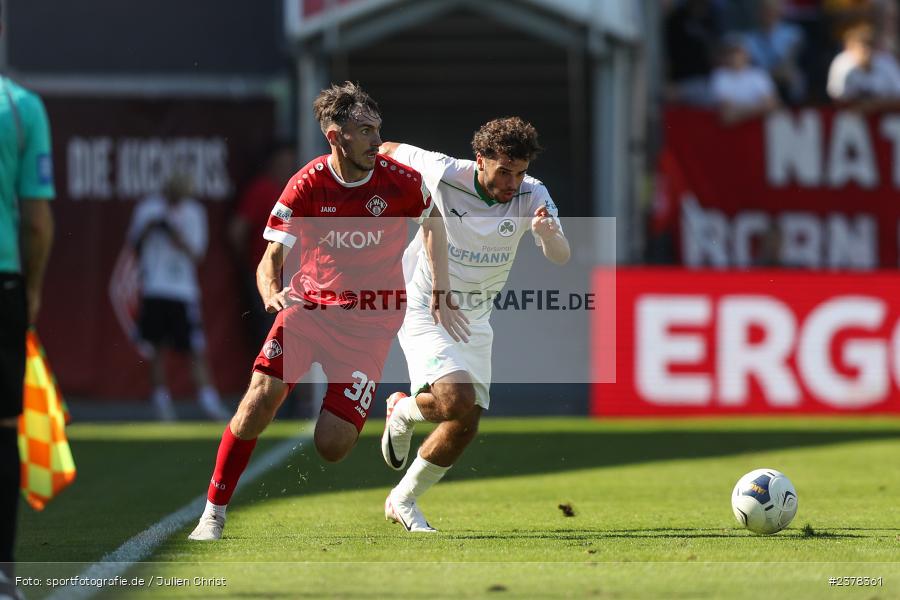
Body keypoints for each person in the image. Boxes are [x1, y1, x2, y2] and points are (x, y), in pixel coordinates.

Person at [187, 81, 467, 541]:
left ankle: (395, 407)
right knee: (259, 400)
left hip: (370, 326)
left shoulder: (399, 182)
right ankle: (212, 514)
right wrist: (271, 291)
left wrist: (440, 286)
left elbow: (433, 218)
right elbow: (270, 258)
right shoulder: (307, 183)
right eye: (365, 130)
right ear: (336, 136)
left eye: (378, 129)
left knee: (332, 446)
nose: (377, 140)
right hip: (309, 311)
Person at [378, 117, 571, 532]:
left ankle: (403, 498)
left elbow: (561, 255)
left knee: (465, 424)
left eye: (519, 172)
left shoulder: (533, 193)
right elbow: (386, 149)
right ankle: (403, 413)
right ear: (479, 160)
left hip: (476, 313)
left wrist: (549, 233)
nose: (512, 183)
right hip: (426, 301)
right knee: (455, 399)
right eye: (504, 171)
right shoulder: (445, 170)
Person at [0, 0, 56, 591]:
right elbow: (37, 222)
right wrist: (33, 288)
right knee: (2, 428)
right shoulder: (20, 108)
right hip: (4, 280)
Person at [127, 172, 229, 421]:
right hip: (154, 288)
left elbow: (197, 254)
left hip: (182, 291)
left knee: (194, 348)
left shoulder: (194, 213)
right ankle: (162, 404)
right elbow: (133, 246)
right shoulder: (148, 209)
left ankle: (209, 401)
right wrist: (150, 228)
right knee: (156, 348)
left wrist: (173, 234)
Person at [745, 0, 806, 104]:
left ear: (779, 12)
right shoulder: (749, 39)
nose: (769, 14)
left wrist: (779, 72)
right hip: (761, 79)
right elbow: (750, 65)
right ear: (758, 13)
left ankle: (795, 108)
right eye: (765, 11)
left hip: (786, 75)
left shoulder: (793, 33)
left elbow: (791, 59)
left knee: (794, 77)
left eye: (772, 10)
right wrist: (768, 75)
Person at [827, 22, 900, 106]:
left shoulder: (887, 62)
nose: (866, 51)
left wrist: (876, 104)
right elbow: (836, 97)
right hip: (850, 115)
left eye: (869, 45)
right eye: (861, 46)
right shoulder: (841, 63)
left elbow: (898, 95)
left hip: (886, 114)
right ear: (849, 47)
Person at [711, 36, 780, 124]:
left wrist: (740, 111)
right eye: (731, 53)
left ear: (746, 54)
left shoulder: (758, 74)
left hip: (757, 132)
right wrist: (761, 108)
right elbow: (727, 116)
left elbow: (773, 106)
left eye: (738, 52)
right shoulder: (719, 75)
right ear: (725, 56)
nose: (735, 57)